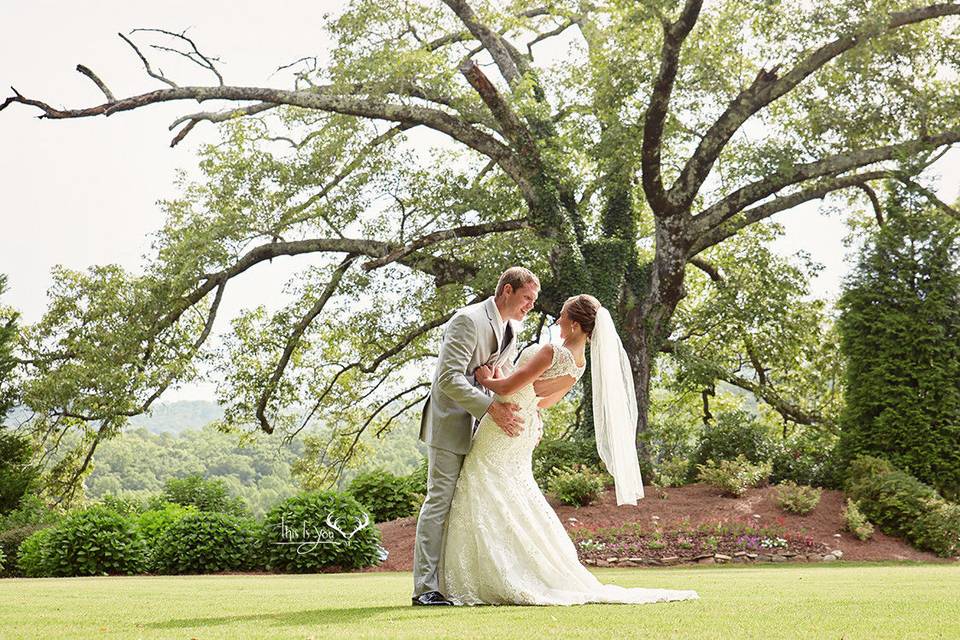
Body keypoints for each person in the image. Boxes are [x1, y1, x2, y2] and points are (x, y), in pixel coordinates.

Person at [437, 294, 700, 606]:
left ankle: (490, 574)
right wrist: (512, 391)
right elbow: (543, 400)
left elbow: (509, 388)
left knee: (481, 485)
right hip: (525, 425)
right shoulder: (579, 364)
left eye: (562, 316)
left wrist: (486, 379)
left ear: (575, 325)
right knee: (507, 491)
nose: (557, 320)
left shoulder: (550, 351)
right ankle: (518, 566)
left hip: (505, 424)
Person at [411, 266, 540, 606]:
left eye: (534, 300)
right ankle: (425, 589)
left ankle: (454, 585)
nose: (530, 305)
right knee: (438, 504)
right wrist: (490, 408)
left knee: (468, 507)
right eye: (527, 298)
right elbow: (448, 379)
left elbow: (499, 375)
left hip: (483, 432)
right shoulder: (468, 320)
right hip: (450, 424)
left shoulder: (510, 329)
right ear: (507, 291)